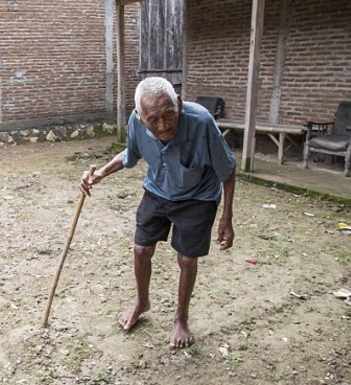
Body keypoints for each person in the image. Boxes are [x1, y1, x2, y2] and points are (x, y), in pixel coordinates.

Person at [79, 77, 236, 348]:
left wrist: (227, 217)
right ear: (141, 119)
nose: (163, 125)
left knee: (187, 260)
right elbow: (131, 153)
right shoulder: (136, 121)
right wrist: (101, 174)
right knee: (141, 249)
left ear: (178, 103)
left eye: (169, 115)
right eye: (153, 120)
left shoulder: (201, 122)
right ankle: (142, 301)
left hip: (197, 196)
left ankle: (181, 318)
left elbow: (228, 170)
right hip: (157, 189)